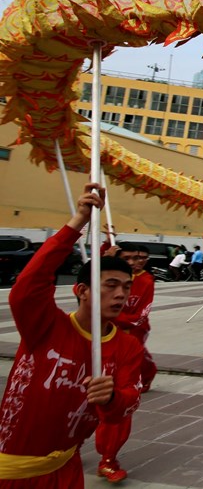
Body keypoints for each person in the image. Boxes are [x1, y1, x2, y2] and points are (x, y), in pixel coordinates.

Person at [0, 184, 142, 487]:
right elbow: (27, 288)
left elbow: (129, 402)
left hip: (67, 469)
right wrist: (77, 222)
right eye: (110, 285)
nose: (120, 295)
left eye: (126, 288)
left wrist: (113, 398)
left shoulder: (127, 346)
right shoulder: (46, 326)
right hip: (12, 471)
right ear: (81, 290)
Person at [93, 241, 157, 482]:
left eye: (140, 258)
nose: (134, 262)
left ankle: (108, 459)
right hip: (99, 339)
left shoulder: (146, 281)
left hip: (128, 339)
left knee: (121, 398)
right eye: (128, 257)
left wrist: (118, 320)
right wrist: (103, 253)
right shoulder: (103, 276)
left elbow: (141, 316)